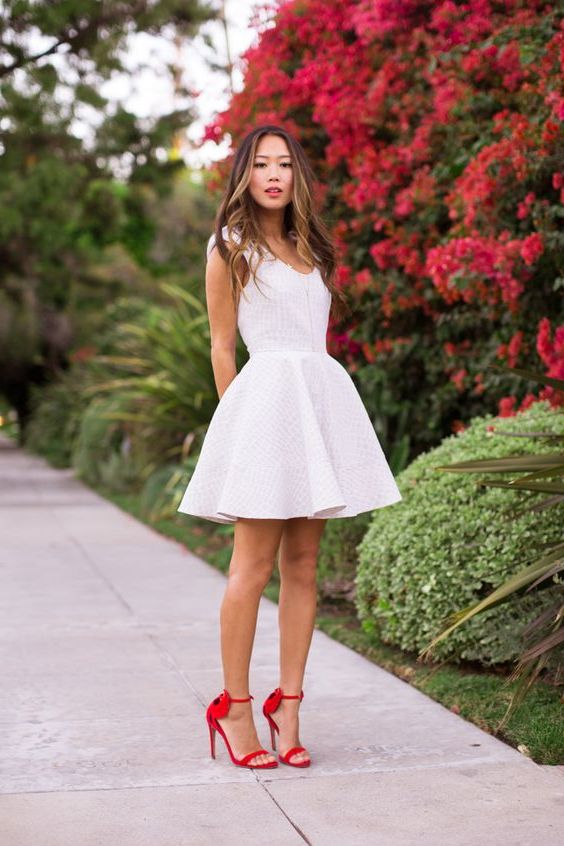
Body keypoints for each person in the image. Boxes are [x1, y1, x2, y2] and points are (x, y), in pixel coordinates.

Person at [177, 124, 402, 769]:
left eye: (284, 164)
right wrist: (239, 427)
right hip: (265, 413)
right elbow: (223, 347)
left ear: (297, 176)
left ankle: (290, 708)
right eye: (260, 164)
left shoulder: (315, 249)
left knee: (302, 567)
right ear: (244, 176)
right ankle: (236, 709)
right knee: (250, 569)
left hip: (319, 404)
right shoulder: (230, 247)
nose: (273, 174)